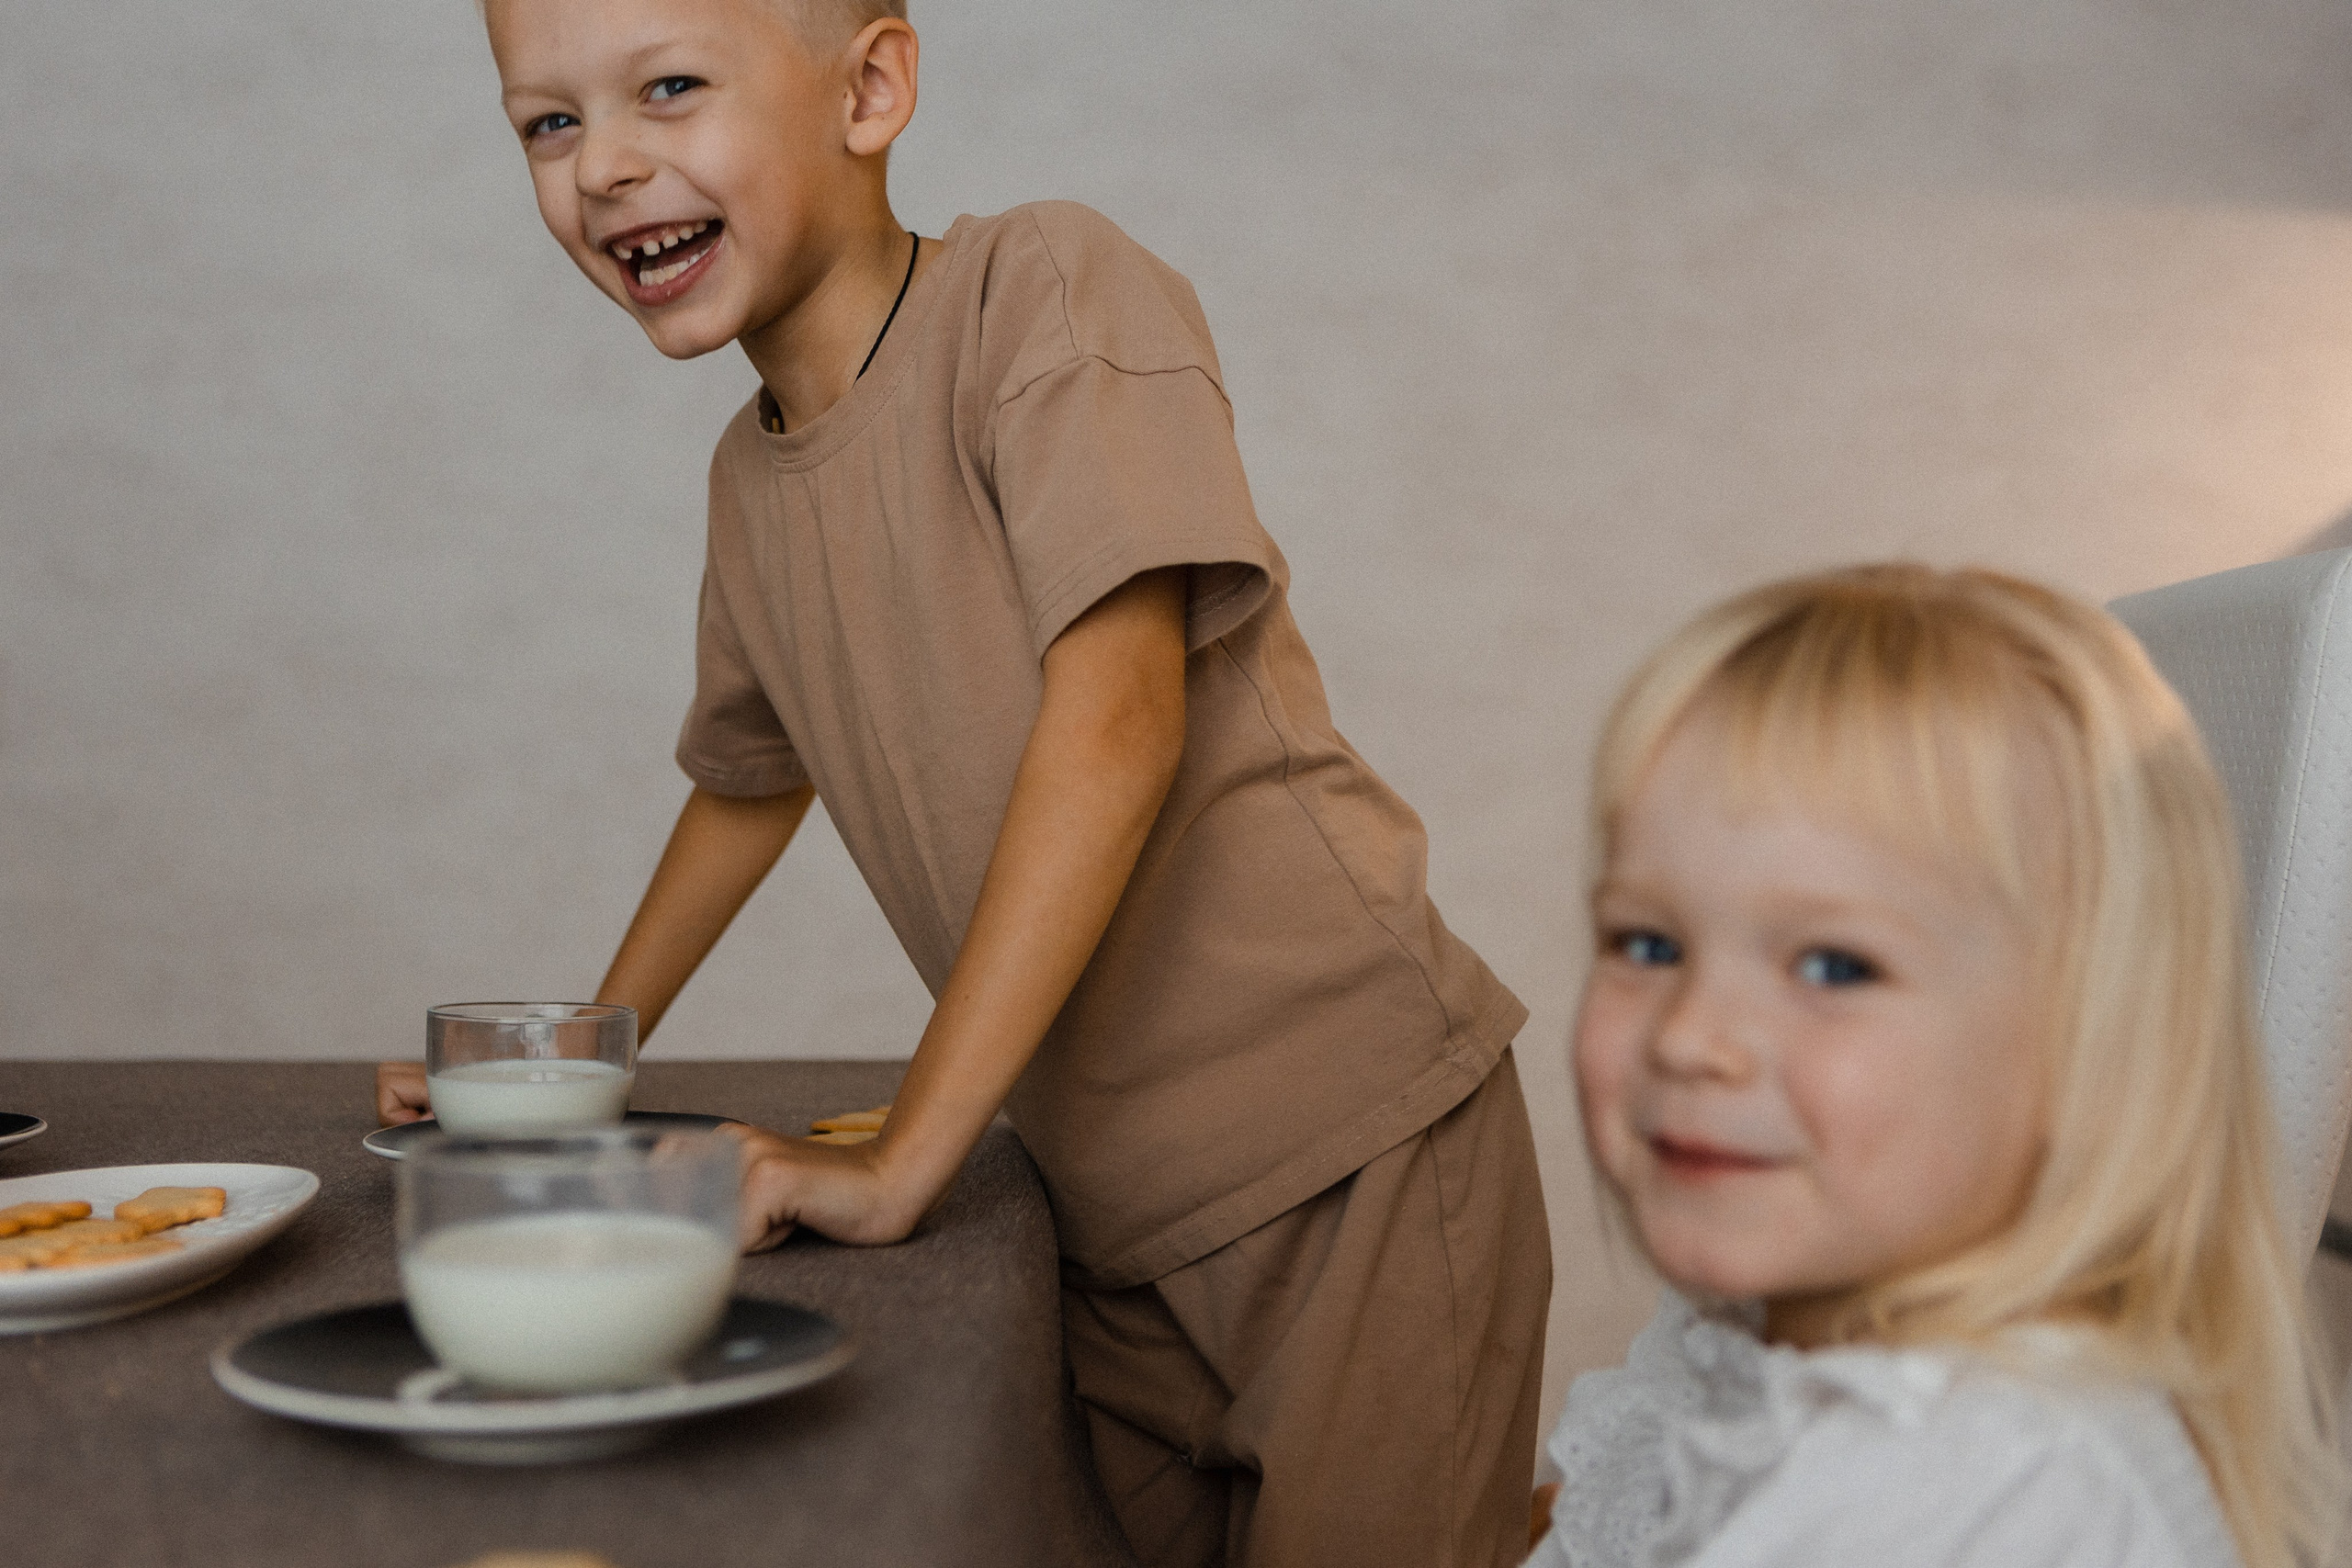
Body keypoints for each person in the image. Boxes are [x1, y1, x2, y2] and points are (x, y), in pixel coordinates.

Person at [377, 1, 1550, 1562]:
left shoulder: (1043, 291)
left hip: (1350, 1153)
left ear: (870, 87)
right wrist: (572, 1063)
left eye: (669, 88)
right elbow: (748, 780)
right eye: (550, 122)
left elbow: (1119, 718)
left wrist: (904, 1154)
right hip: (1104, 1212)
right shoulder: (750, 479)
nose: (607, 166)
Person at [1523, 564, 2344, 1567]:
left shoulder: (1982, 1482)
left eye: (1832, 965)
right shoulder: (1756, 1354)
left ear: (2092, 1048)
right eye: (1647, 944)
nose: (1689, 1037)